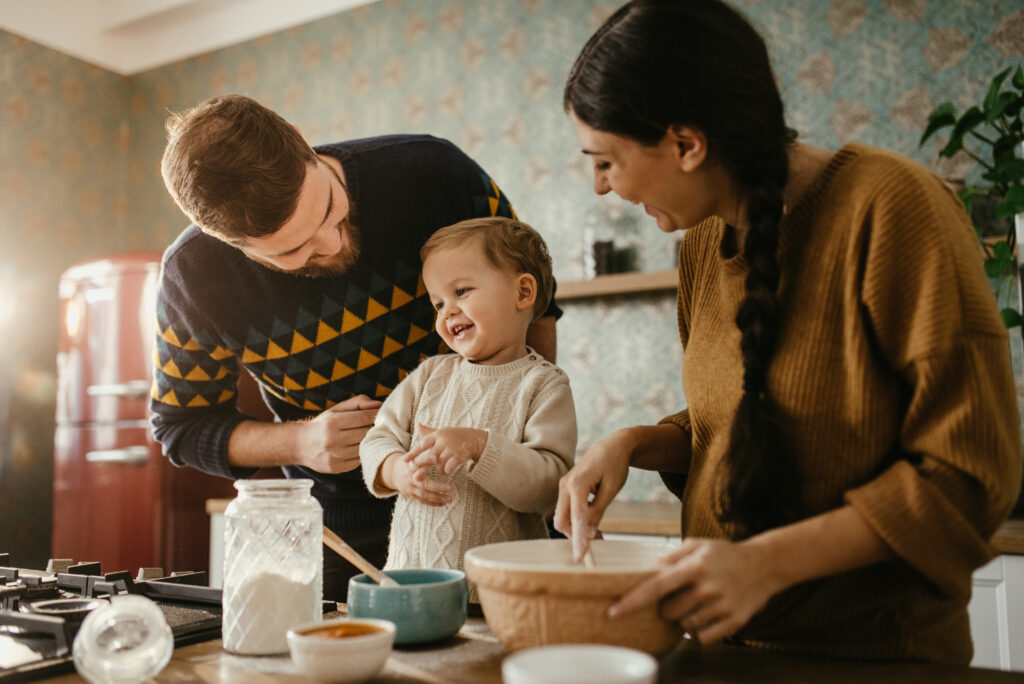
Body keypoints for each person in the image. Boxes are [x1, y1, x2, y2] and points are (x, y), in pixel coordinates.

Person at [553, 0, 1022, 665]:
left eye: (605, 160)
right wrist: (632, 444)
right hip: (728, 656)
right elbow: (754, 422)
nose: (600, 188)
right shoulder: (699, 250)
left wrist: (766, 564)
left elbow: (969, 474)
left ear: (686, 144)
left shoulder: (892, 209)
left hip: (878, 661)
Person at [150, 95, 562, 599]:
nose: (328, 243)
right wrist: (301, 442)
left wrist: (534, 453)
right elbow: (181, 427)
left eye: (328, 209)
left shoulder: (433, 172)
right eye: (291, 250)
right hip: (346, 530)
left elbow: (535, 302)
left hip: (495, 493)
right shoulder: (193, 276)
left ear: (303, 142)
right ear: (228, 244)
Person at [359, 217, 577, 600]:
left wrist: (481, 446)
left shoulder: (544, 385)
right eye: (438, 302)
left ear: (522, 292)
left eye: (461, 291)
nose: (446, 313)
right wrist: (394, 469)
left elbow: (547, 485)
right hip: (410, 585)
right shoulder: (428, 376)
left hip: (498, 598)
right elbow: (379, 437)